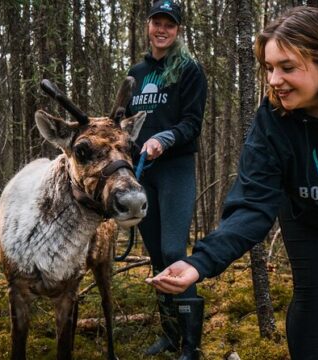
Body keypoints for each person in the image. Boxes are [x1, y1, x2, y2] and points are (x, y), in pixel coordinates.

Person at [146, 6, 318, 360]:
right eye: (269, 68)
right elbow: (252, 203)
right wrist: (200, 262)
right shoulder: (272, 122)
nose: (274, 80)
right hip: (305, 214)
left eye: (287, 67)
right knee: (311, 294)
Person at [125, 1, 207, 359]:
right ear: (148, 25)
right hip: (143, 174)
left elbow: (192, 123)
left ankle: (191, 346)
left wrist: (164, 139)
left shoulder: (188, 70)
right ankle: (171, 336)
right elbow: (123, 121)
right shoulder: (136, 72)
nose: (162, 29)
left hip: (175, 169)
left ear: (177, 30)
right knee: (157, 256)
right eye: (157, 22)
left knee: (175, 251)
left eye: (169, 25)